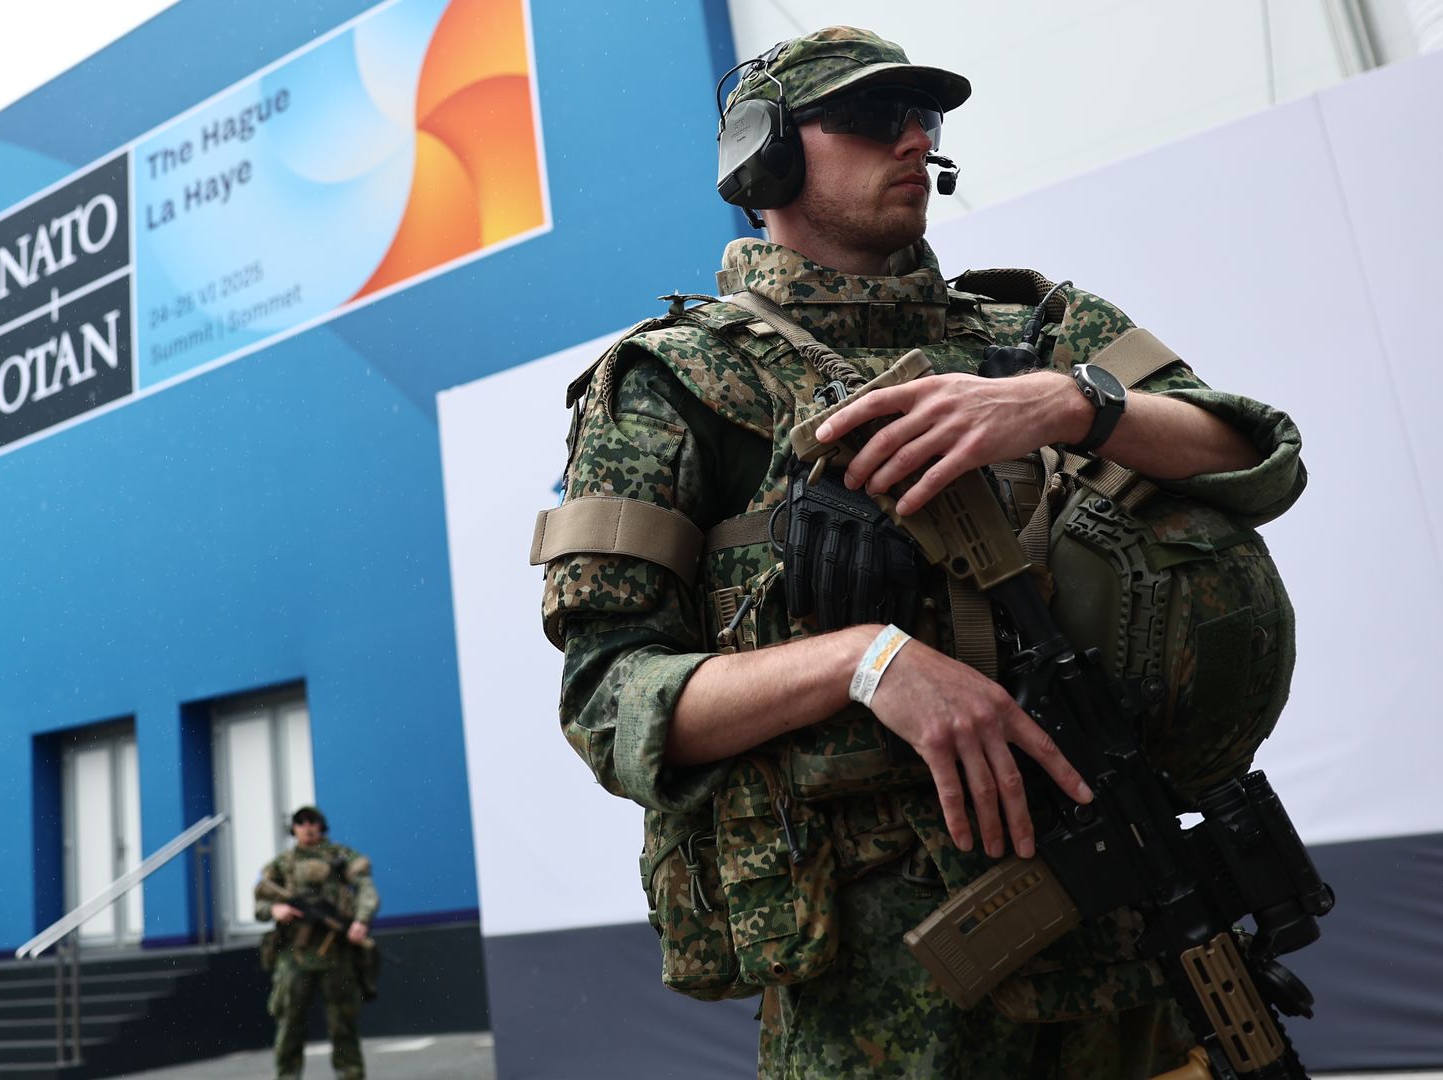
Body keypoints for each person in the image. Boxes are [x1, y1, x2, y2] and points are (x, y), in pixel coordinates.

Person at [536, 26, 1306, 1079]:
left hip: (1134, 933)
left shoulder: (1045, 328)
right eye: (867, 117)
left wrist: (1062, 404)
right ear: (762, 156)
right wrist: (868, 662)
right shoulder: (674, 383)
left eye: (923, 117)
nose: (911, 140)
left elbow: (1255, 460)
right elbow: (611, 698)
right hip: (888, 998)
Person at [253, 806, 380, 1080]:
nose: (307, 827)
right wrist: (275, 911)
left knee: (343, 1024)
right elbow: (260, 902)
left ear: (322, 826)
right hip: (294, 954)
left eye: (313, 821)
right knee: (289, 1024)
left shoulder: (341, 857)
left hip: (336, 952)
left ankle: (351, 1075)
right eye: (300, 822)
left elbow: (366, 888)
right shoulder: (281, 864)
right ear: (293, 828)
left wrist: (361, 920)